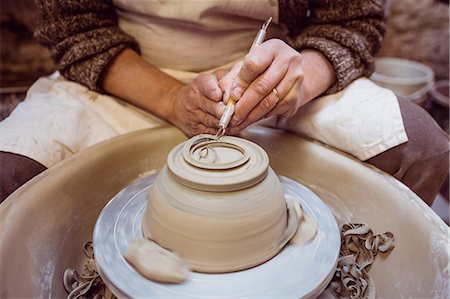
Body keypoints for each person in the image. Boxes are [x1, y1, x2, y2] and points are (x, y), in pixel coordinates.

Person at [0, 0, 448, 205]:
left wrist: (302, 79)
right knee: (9, 176)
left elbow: (352, 20)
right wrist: (173, 98)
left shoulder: (285, 76)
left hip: (271, 71)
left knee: (422, 148)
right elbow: (74, 29)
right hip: (128, 72)